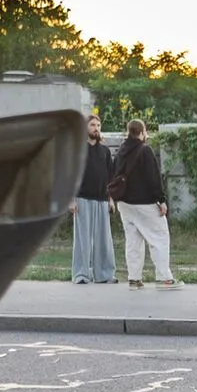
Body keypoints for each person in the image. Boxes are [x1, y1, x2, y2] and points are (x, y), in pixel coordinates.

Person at [112, 119, 178, 289]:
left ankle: (134, 279)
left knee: (133, 241)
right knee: (159, 237)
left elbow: (112, 174)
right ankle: (164, 278)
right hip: (144, 203)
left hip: (124, 204)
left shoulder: (121, 151)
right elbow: (153, 178)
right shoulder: (145, 150)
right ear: (142, 131)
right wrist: (161, 199)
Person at [69, 115, 116, 284]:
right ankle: (81, 275)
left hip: (102, 200)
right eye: (93, 125)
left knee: (104, 240)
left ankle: (104, 275)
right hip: (82, 199)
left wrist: (111, 199)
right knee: (83, 241)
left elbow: (110, 177)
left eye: (98, 125)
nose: (96, 128)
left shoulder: (105, 151)